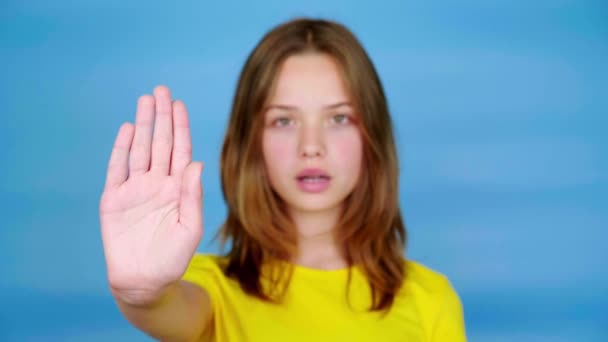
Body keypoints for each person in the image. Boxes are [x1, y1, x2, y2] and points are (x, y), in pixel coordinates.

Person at [99, 17, 466, 341]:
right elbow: (164, 308)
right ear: (250, 142)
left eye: (339, 118)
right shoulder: (209, 290)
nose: (311, 146)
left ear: (372, 136)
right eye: (283, 121)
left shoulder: (430, 299)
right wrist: (141, 294)